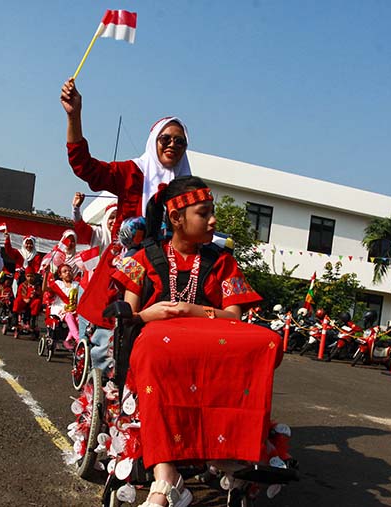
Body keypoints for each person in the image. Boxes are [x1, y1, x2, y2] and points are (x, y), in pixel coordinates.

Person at [111, 176, 274, 507]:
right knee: (155, 347)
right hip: (156, 353)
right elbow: (127, 315)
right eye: (204, 213)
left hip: (207, 354)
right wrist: (147, 314)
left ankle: (234, 448)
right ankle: (165, 479)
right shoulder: (141, 259)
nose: (213, 220)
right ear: (176, 218)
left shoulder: (222, 262)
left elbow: (234, 317)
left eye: (212, 212)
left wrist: (192, 310)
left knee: (266, 341)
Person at [61, 78, 192, 229]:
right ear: (153, 142)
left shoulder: (190, 188)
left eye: (180, 141)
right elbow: (84, 166)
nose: (172, 145)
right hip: (129, 252)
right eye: (165, 139)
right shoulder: (131, 172)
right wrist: (73, 116)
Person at [47, 264, 81, 349]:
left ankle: (68, 339)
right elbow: (45, 289)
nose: (68, 273)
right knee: (69, 315)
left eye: (69, 271)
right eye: (64, 271)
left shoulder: (76, 284)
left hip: (73, 308)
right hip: (60, 308)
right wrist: (46, 274)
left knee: (80, 319)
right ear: (60, 275)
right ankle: (78, 339)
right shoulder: (58, 284)